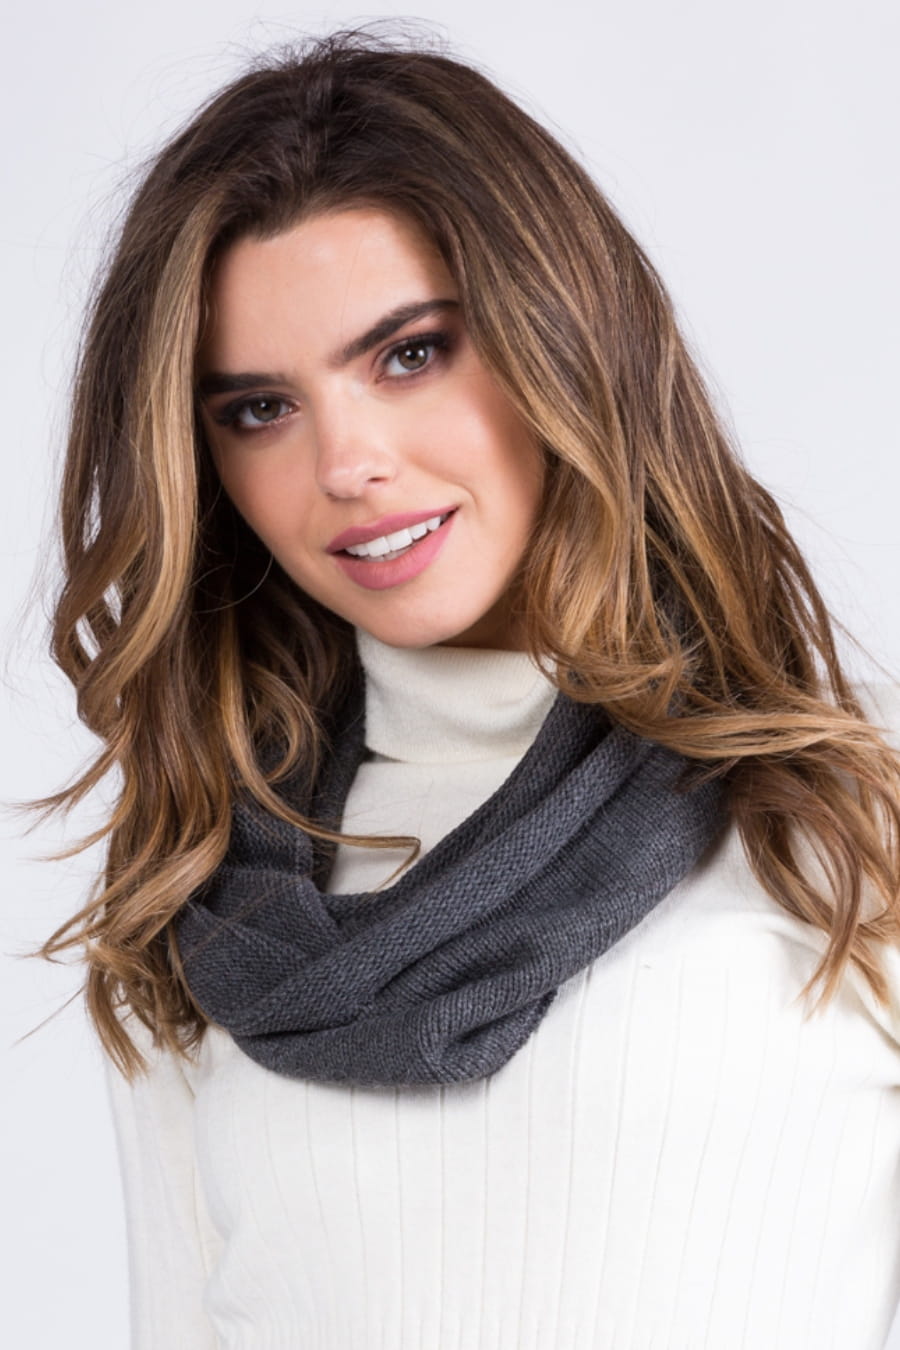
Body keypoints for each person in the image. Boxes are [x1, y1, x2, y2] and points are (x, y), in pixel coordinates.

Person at [38, 27, 900, 1350]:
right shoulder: (210, 898)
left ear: (565, 335)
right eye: (259, 409)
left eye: (409, 354)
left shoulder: (842, 833)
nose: (346, 463)